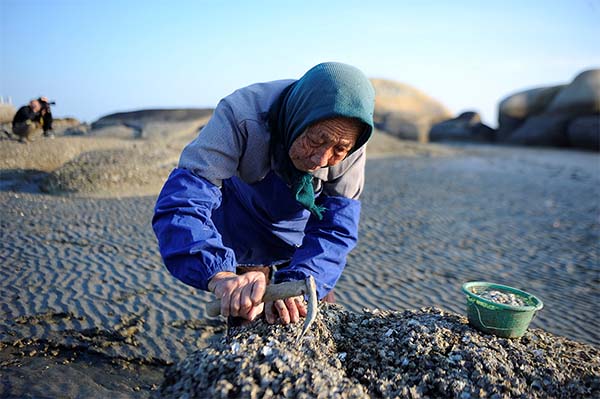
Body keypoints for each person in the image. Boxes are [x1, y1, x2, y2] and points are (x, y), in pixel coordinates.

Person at [153, 62, 375, 325]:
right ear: (300, 116)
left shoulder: (350, 145)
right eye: (316, 140)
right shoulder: (241, 115)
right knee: (245, 309)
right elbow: (183, 205)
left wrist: (301, 283)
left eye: (338, 149)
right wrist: (221, 277)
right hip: (244, 228)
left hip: (300, 238)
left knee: (309, 315)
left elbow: (335, 229)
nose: (321, 158)